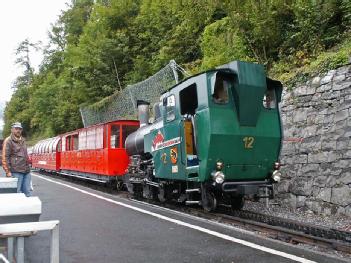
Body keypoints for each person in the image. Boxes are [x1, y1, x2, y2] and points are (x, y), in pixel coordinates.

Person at [2, 122, 32, 196]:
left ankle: (27, 207)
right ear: (12, 130)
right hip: (15, 171)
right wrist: (7, 171)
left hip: (26, 171)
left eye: (20, 129)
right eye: (16, 129)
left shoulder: (23, 140)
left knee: (27, 193)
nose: (18, 130)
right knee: (16, 193)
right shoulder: (8, 140)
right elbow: (5, 156)